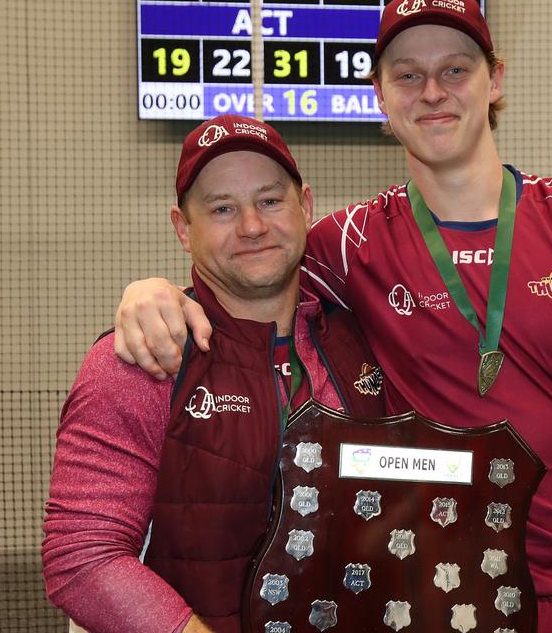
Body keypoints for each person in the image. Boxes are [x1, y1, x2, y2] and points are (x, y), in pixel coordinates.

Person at [112, 0, 552, 633]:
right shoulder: (347, 244)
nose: (431, 92)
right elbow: (245, 272)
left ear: (495, 80)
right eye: (408, 76)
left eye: (455, 70)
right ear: (380, 97)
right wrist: (156, 292)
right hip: (429, 598)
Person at [41, 115, 391, 633]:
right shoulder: (144, 358)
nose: (252, 225)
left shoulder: (363, 339)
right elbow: (82, 557)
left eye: (270, 200)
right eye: (222, 208)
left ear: (307, 206)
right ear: (183, 229)